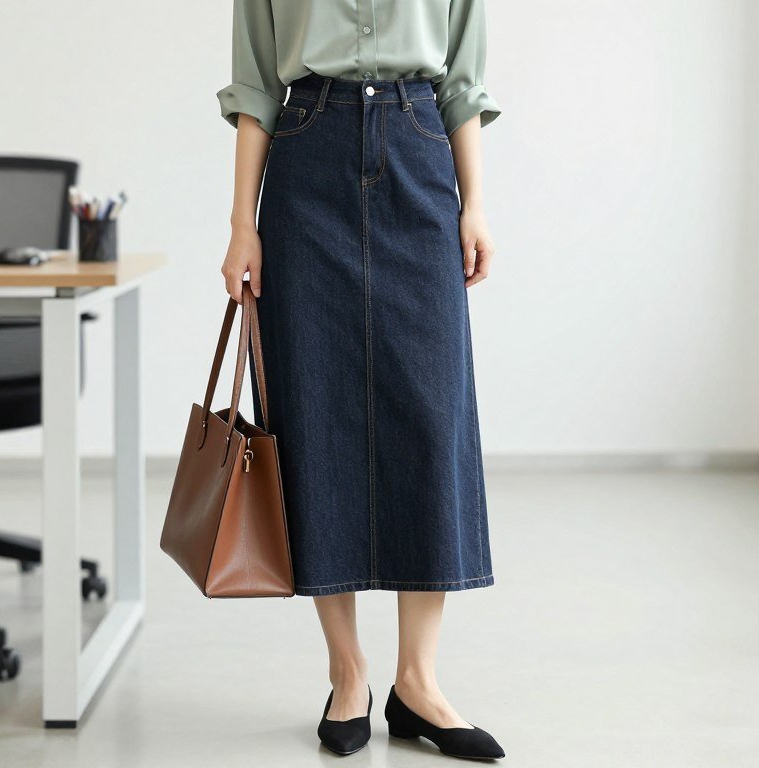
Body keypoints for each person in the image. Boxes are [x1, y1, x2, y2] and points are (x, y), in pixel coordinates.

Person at [217, 1, 503, 759]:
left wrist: (475, 203)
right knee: (315, 411)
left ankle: (420, 682)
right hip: (308, 154)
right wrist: (242, 222)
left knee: (429, 414)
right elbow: (253, 87)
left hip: (420, 147)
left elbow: (464, 83)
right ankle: (348, 673)